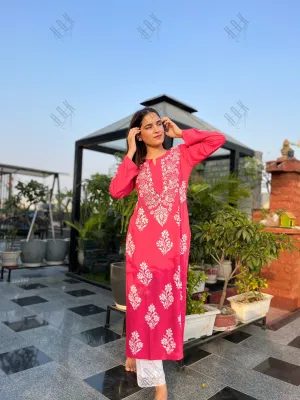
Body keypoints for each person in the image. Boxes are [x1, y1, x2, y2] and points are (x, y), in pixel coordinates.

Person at [109, 107, 226, 399]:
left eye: (158, 123)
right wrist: (129, 151)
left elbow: (217, 138)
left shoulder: (181, 156)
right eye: (147, 127)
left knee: (158, 308)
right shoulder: (137, 167)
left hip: (172, 247)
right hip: (142, 244)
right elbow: (116, 190)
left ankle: (138, 352)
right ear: (139, 134)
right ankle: (158, 383)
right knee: (141, 304)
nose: (157, 129)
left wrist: (182, 133)